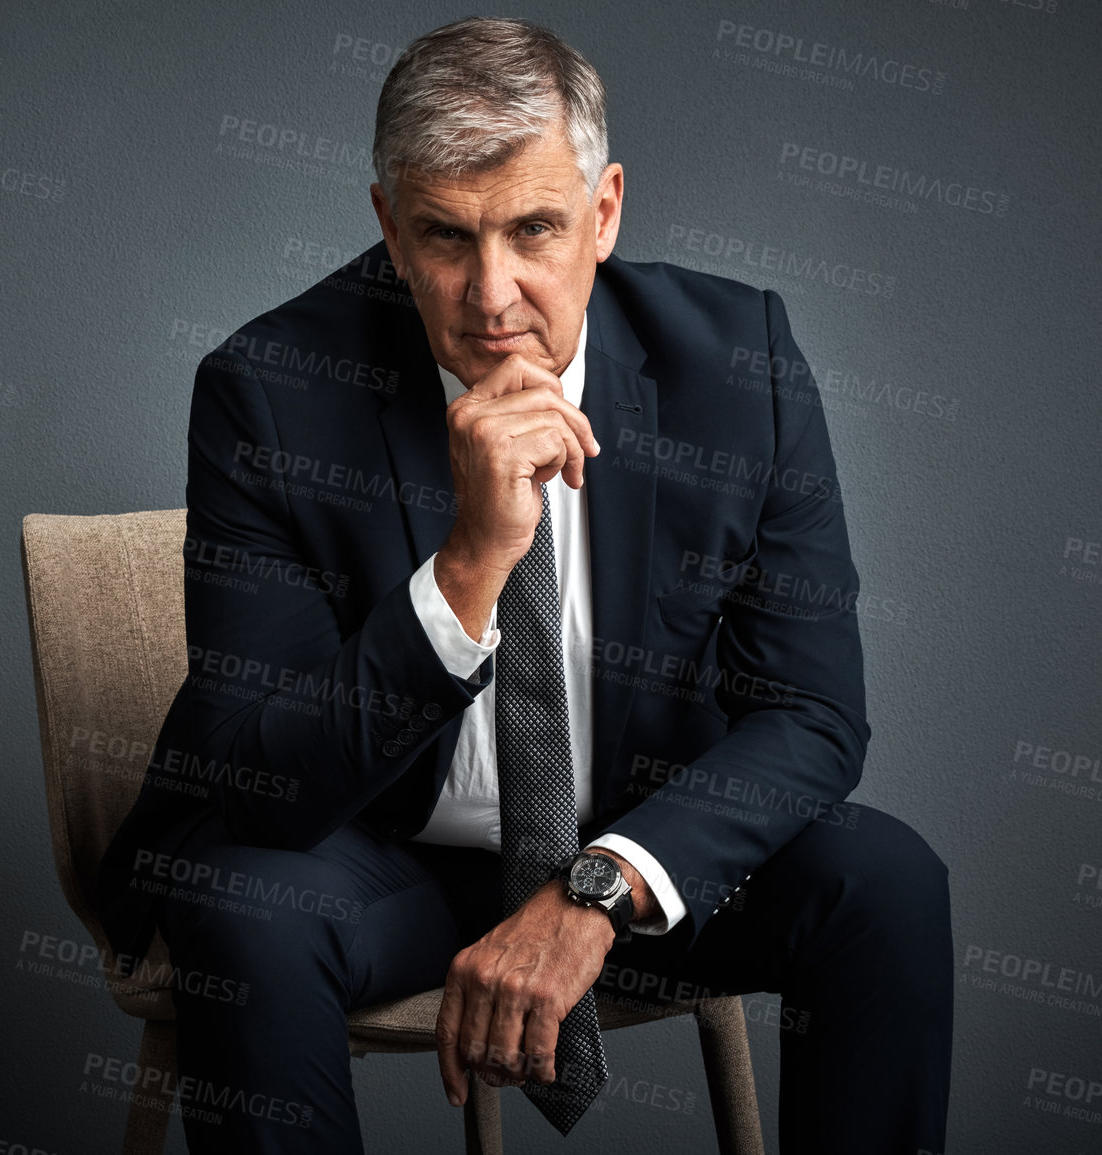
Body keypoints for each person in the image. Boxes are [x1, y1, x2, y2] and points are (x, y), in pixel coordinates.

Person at [95, 17, 951, 1154]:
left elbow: (812, 715)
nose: (491, 295)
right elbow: (263, 781)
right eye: (445, 236)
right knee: (244, 909)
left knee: (883, 883)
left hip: (634, 849)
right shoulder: (270, 392)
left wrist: (601, 889)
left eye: (534, 229)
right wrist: (468, 565)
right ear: (389, 228)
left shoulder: (739, 369)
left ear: (604, 214)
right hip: (382, 853)